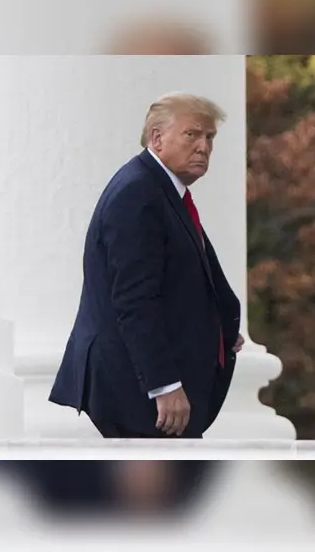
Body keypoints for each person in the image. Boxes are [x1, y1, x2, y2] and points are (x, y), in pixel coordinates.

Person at [49, 92, 244, 438]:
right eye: (192, 134)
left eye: (209, 137)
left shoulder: (161, 191)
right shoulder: (138, 193)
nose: (204, 147)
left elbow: (176, 281)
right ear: (157, 138)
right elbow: (135, 300)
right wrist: (163, 385)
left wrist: (217, 328)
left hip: (151, 388)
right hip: (140, 393)